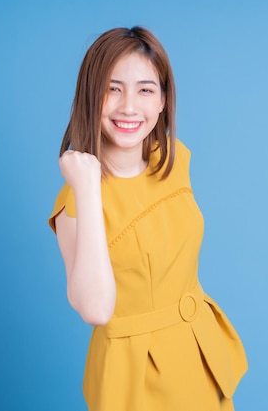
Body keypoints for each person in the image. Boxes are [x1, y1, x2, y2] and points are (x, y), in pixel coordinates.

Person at [48, 26, 247, 411]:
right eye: (112, 88)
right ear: (91, 97)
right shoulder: (76, 199)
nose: (128, 107)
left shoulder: (173, 158)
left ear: (162, 101)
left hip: (200, 357)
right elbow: (96, 310)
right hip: (134, 377)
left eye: (145, 89)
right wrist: (88, 188)